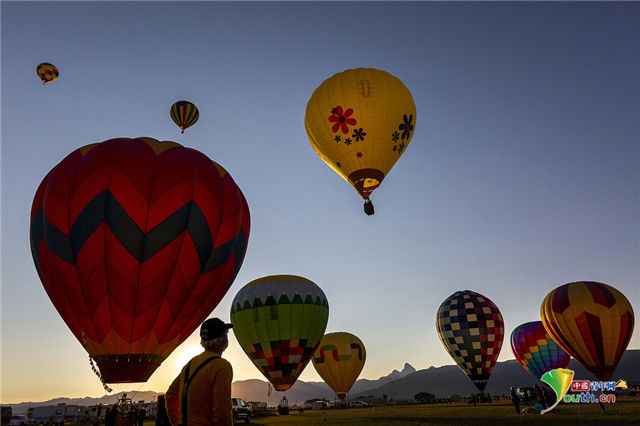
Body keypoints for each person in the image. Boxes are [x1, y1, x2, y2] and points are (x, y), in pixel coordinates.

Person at [165, 318, 234, 426]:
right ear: (222, 339)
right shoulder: (222, 366)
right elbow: (222, 414)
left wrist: (177, 421)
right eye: (226, 334)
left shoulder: (190, 364)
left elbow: (171, 394)